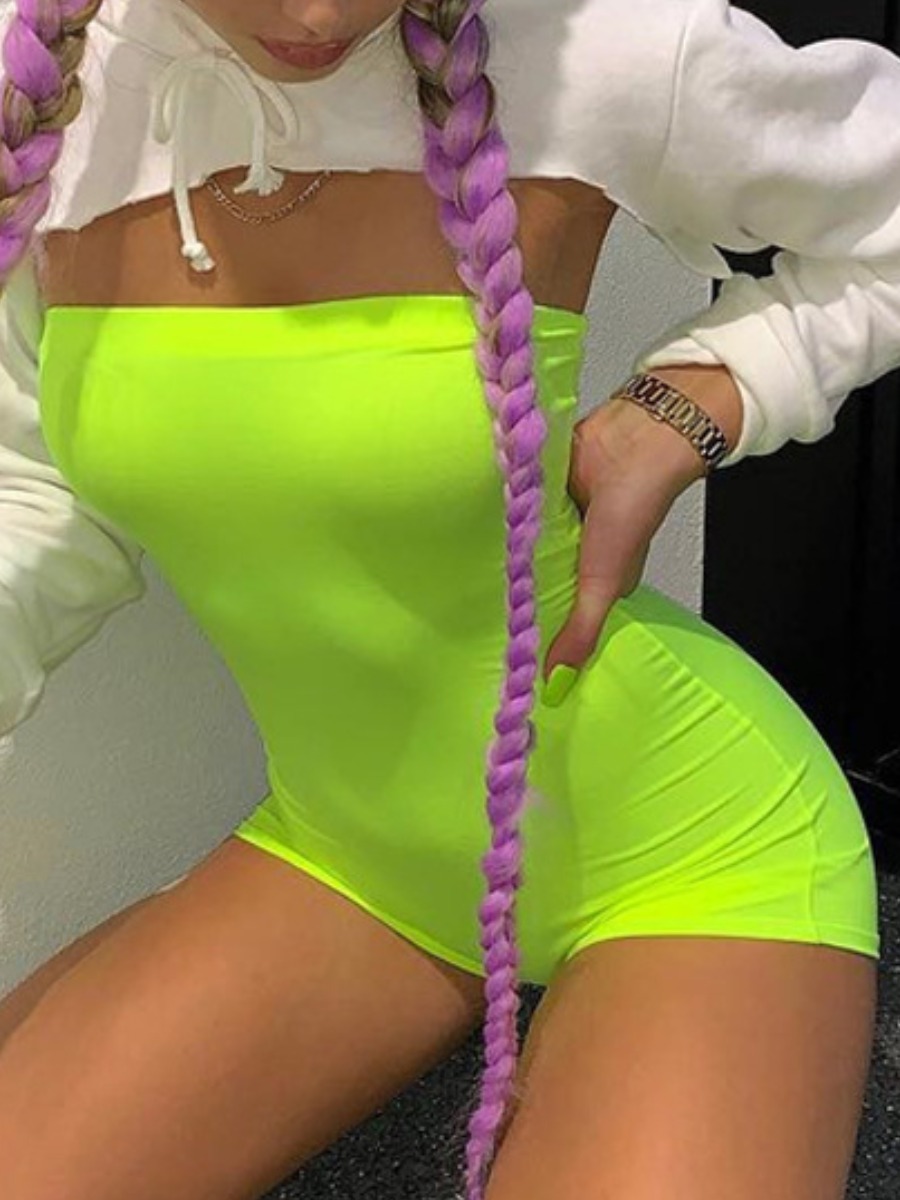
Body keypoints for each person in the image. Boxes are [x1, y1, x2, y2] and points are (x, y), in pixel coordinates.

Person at [0, 0, 896, 1196]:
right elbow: (37, 479)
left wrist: (702, 400)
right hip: (353, 850)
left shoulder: (607, 46)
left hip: (690, 845)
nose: (319, 13)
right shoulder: (42, 88)